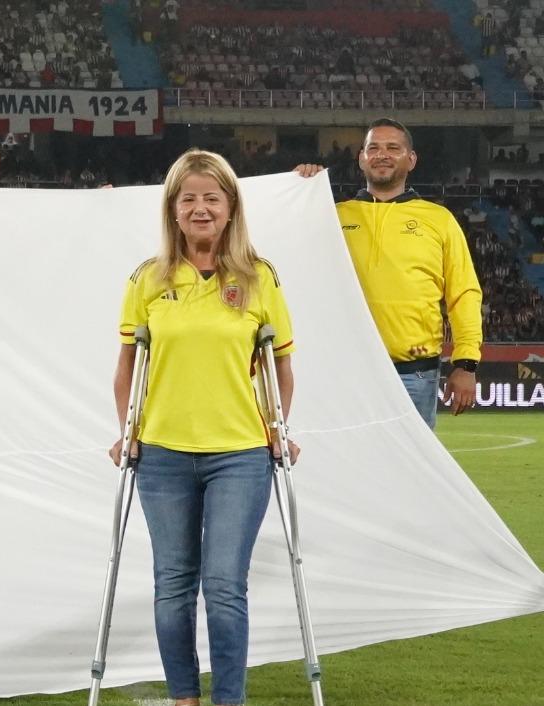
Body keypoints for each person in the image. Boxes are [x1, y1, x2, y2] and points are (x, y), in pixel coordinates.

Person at [111, 148, 298, 706]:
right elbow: (127, 366)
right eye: (188, 198)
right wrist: (129, 428)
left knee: (223, 588)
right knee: (172, 589)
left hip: (239, 455)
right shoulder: (149, 278)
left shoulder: (258, 277)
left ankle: (229, 700)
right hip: (163, 454)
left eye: (211, 198)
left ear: (230, 206)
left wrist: (277, 426)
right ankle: (184, 698)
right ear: (172, 209)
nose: (199, 208)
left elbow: (280, 365)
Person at [295, 118, 482, 427]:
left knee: (410, 473)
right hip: (346, 372)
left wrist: (465, 364)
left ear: (411, 159)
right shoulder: (330, 215)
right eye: (374, 148)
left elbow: (464, 295)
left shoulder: (439, 219)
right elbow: (293, 265)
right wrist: (299, 191)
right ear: (361, 158)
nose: (382, 154)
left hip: (414, 373)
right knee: (348, 468)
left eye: (393, 148)